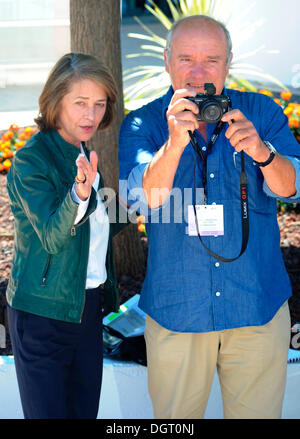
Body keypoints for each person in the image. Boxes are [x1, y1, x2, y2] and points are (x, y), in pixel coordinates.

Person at [118, 15, 300, 419]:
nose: (198, 74)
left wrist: (262, 152)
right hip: (178, 311)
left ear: (228, 62)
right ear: (166, 61)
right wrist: (173, 144)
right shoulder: (142, 123)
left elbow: (292, 186)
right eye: (186, 59)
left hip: (256, 308)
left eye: (211, 60)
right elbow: (137, 200)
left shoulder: (260, 112)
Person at [6, 52, 126, 419]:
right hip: (42, 312)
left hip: (86, 308)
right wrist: (79, 191)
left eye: (99, 104)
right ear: (55, 101)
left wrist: (145, 198)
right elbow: (54, 238)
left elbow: (103, 221)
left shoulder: (81, 149)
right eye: (80, 103)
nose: (90, 114)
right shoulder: (32, 160)